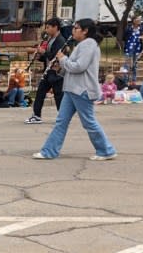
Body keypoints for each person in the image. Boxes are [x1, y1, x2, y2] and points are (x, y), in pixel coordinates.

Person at [33, 19, 117, 161]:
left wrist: (63, 59)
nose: (73, 31)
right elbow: (73, 67)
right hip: (72, 89)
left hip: (82, 89)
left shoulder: (88, 45)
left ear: (85, 31)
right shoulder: (83, 45)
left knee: (88, 122)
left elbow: (79, 66)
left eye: (76, 28)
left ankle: (106, 150)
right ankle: (49, 151)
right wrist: (60, 67)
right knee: (61, 121)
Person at [25, 17, 67, 124]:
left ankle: (62, 117)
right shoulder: (49, 40)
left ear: (55, 27)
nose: (46, 30)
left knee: (58, 95)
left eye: (48, 27)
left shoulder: (60, 40)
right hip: (48, 71)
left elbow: (56, 56)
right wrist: (39, 56)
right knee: (40, 93)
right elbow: (47, 57)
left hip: (57, 71)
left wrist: (43, 52)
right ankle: (36, 115)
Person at [123, 15, 143, 87]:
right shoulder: (128, 28)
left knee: (135, 64)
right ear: (134, 20)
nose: (139, 21)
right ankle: (125, 80)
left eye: (140, 20)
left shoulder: (142, 28)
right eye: (138, 19)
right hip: (129, 47)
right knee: (127, 64)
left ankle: (134, 80)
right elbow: (124, 37)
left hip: (137, 48)